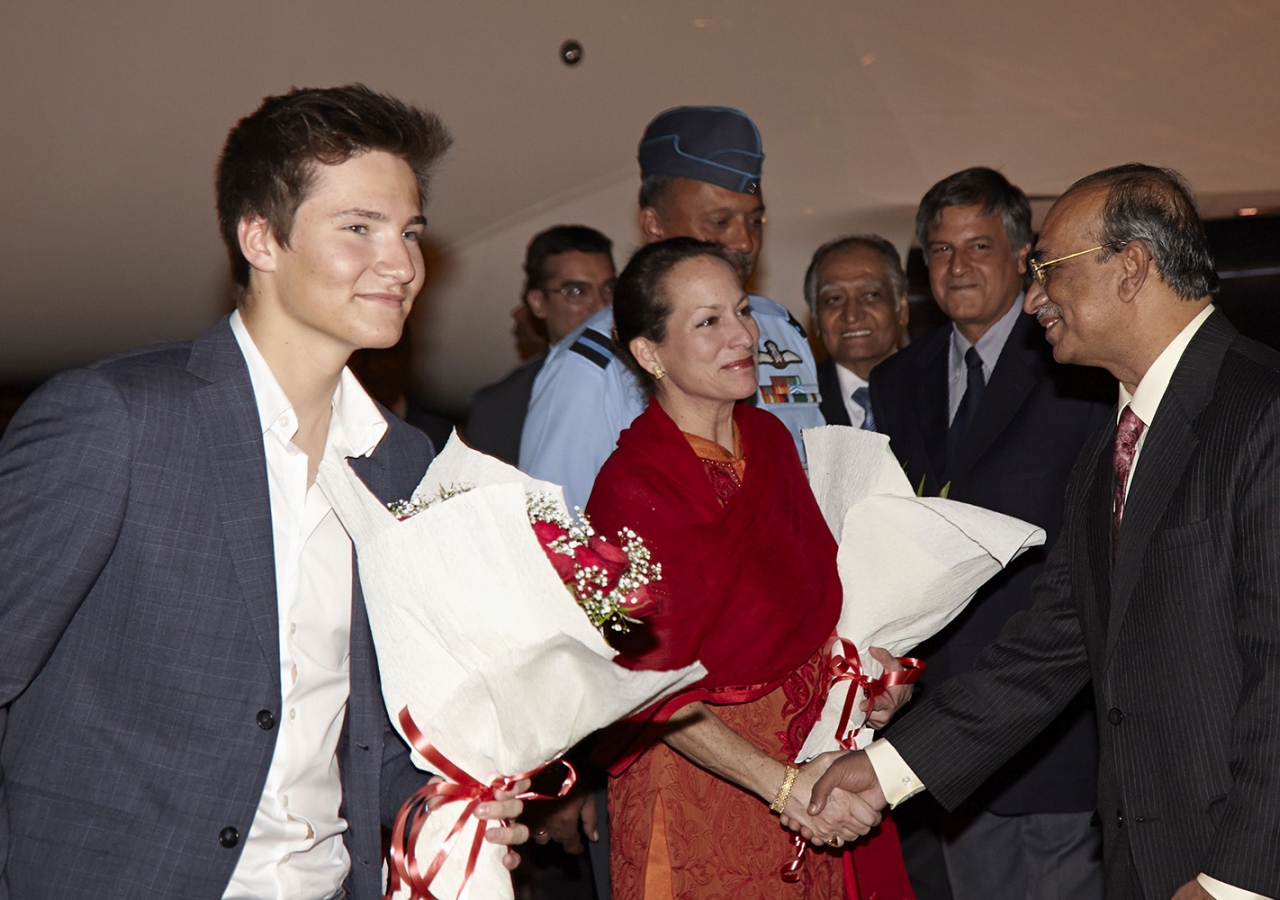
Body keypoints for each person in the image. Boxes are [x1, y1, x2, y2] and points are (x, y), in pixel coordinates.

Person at [0, 85, 526, 900]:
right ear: (261, 238)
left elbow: (365, 730)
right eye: (360, 229)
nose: (403, 264)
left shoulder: (402, 463)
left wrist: (446, 805)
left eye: (410, 232)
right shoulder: (120, 421)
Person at [806, 165, 1280, 900]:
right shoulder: (1113, 442)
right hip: (1148, 861)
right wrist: (889, 770)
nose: (1031, 302)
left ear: (1131, 269)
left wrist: (1235, 880)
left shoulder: (1261, 413)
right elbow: (1048, 646)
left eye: (1047, 271)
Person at [586, 237, 915, 900]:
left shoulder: (767, 440)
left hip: (810, 753)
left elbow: (812, 600)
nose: (742, 335)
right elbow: (639, 693)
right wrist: (781, 785)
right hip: (699, 783)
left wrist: (865, 678)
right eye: (708, 321)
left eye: (741, 311)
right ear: (649, 353)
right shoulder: (626, 488)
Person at [865, 167, 1113, 900]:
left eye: (978, 245)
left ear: (1021, 256)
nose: (958, 266)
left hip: (1057, 711)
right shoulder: (898, 380)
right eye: (940, 251)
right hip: (947, 718)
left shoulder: (1074, 362)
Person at [519, 105, 824, 511]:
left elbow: (820, 487)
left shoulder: (779, 330)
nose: (745, 242)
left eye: (755, 222)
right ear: (653, 226)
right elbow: (555, 532)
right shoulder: (594, 364)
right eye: (719, 222)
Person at [466, 225, 616, 465]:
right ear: (537, 303)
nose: (601, 306)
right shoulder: (499, 408)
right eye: (577, 291)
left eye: (609, 289)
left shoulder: (655, 379)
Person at [806, 235, 910, 429]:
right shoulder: (796, 404)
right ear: (816, 320)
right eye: (834, 299)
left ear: (901, 308)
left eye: (871, 295)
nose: (851, 315)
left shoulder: (939, 390)